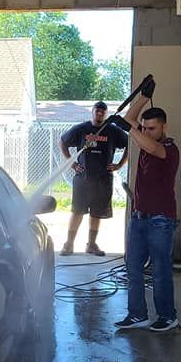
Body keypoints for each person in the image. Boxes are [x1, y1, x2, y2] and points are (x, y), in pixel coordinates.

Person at [111, 79, 180, 332]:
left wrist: (131, 129)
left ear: (164, 127)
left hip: (161, 220)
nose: (147, 132)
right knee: (133, 269)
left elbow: (148, 144)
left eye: (152, 128)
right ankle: (137, 314)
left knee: (161, 270)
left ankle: (167, 316)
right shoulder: (144, 139)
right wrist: (143, 96)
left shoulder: (169, 149)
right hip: (139, 218)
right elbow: (130, 119)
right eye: (145, 128)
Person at [59, 101, 129, 257]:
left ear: (106, 114)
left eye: (102, 112)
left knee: (97, 214)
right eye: (97, 111)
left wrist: (119, 165)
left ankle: (91, 244)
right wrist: (72, 163)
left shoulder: (112, 131)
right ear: (92, 112)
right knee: (77, 212)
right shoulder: (81, 129)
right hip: (83, 179)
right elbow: (62, 142)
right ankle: (69, 244)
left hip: (103, 180)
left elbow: (130, 144)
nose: (99, 114)